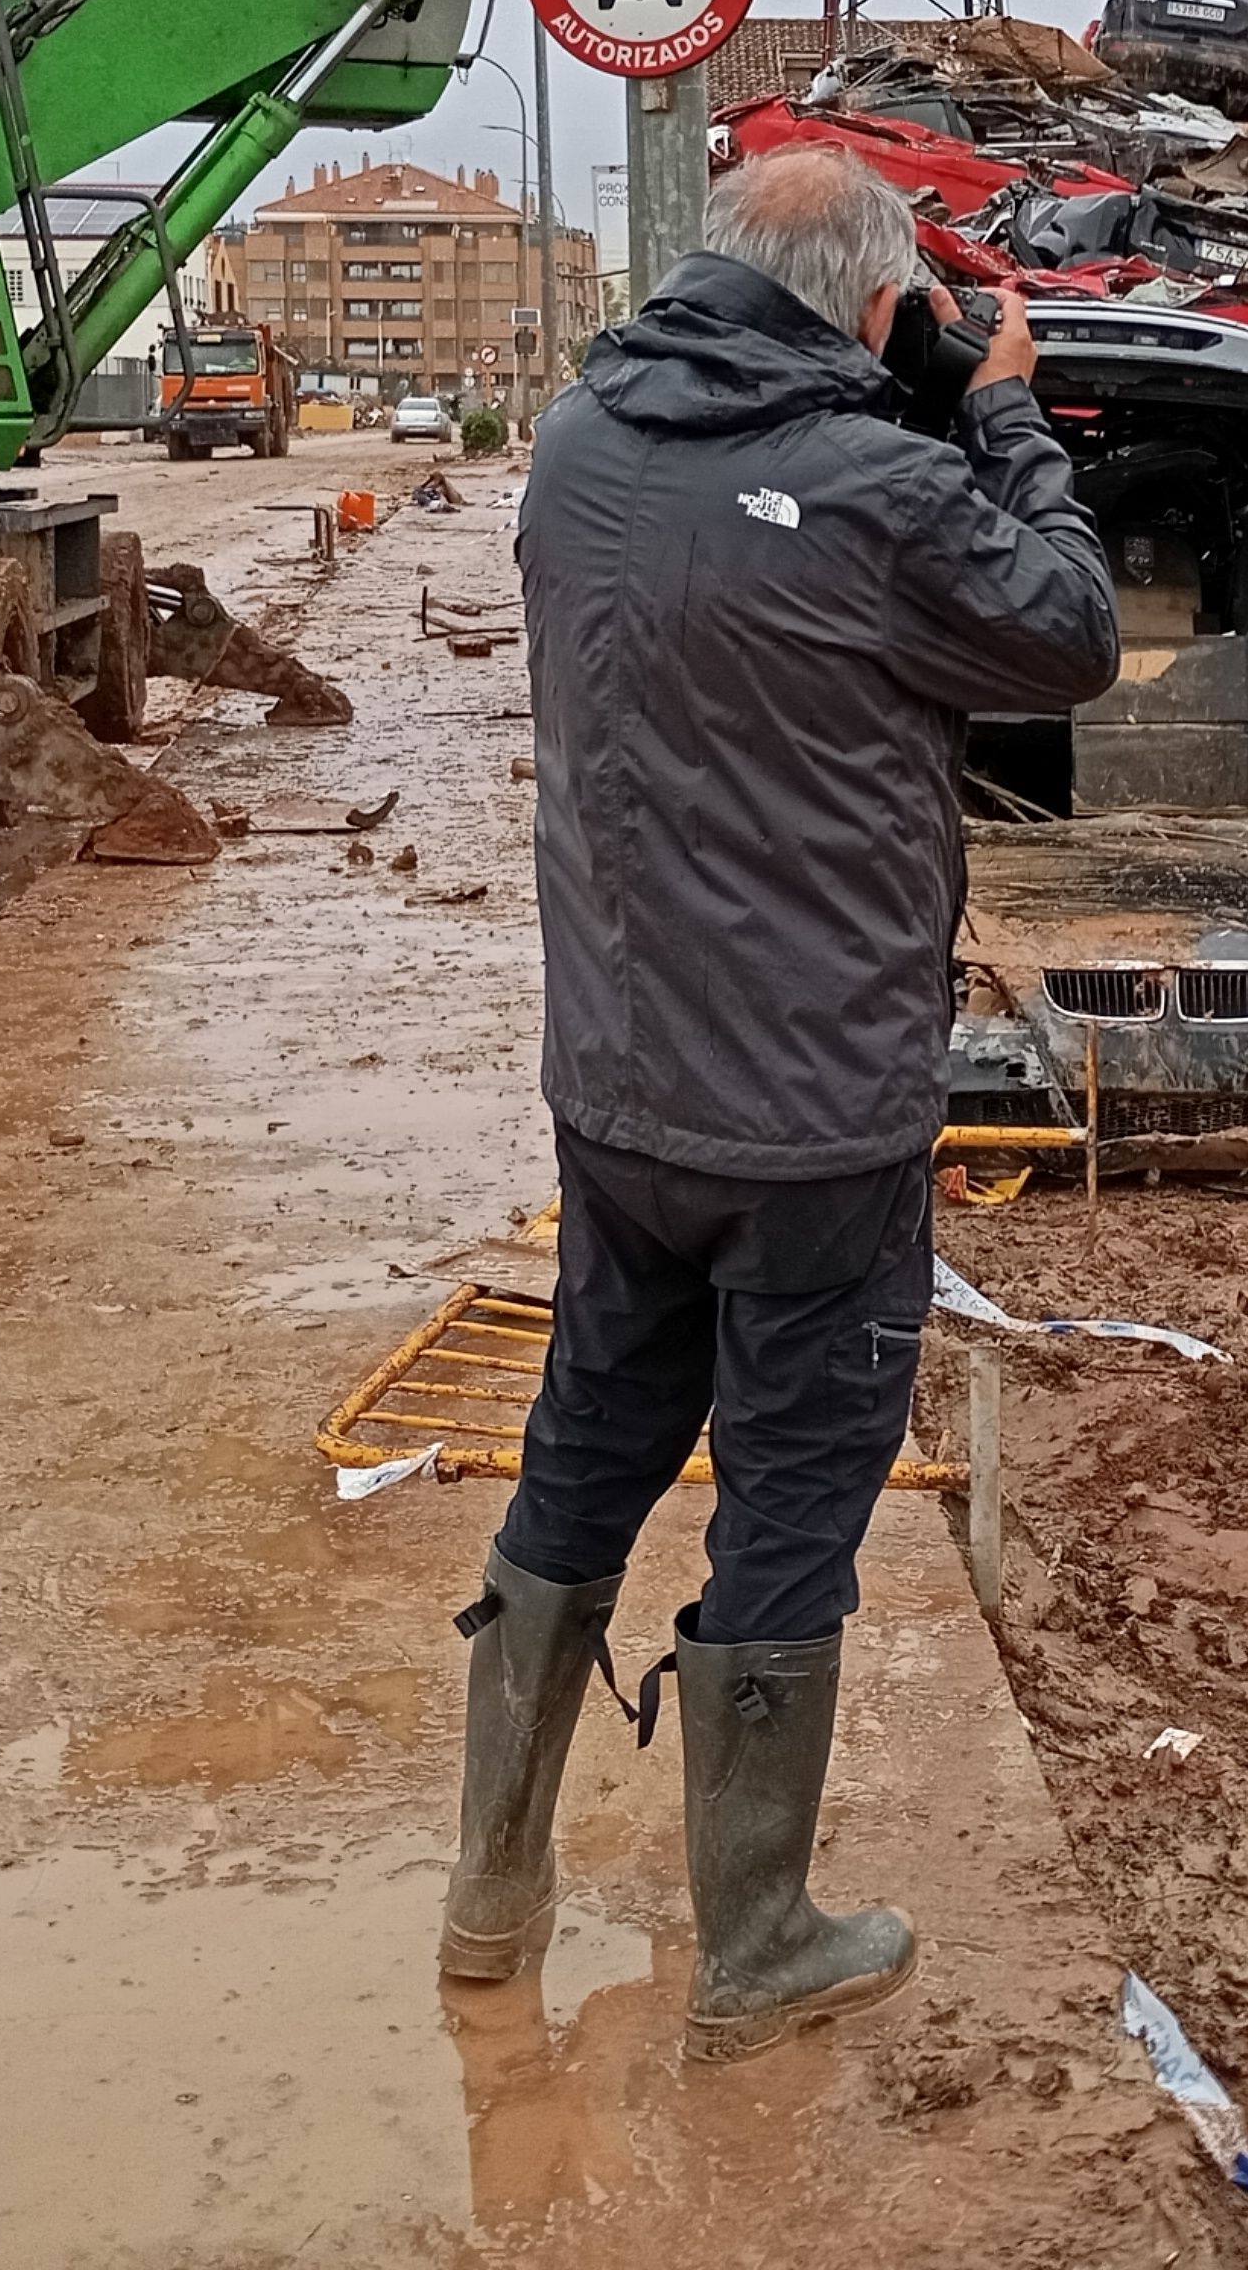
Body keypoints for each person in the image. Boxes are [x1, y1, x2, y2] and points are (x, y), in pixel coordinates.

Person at [439, 143, 1118, 2063]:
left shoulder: (575, 445)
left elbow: (743, 591)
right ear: (877, 306)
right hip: (815, 1118)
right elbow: (1065, 631)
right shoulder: (892, 488)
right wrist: (1005, 415)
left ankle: (491, 1889)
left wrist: (892, 390)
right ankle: (754, 1943)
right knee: (794, 1506)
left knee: (586, 1445)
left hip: (624, 1086)